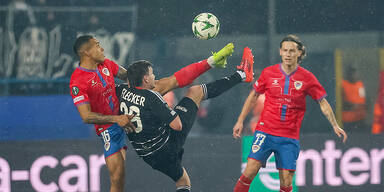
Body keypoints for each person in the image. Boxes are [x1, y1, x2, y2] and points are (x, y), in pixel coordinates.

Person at [69, 34, 234, 192]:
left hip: (124, 105)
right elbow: (86, 116)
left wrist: (151, 86)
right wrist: (116, 119)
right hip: (109, 126)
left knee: (166, 83)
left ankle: (211, 62)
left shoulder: (105, 64)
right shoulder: (78, 81)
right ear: (86, 53)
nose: (102, 48)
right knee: (118, 177)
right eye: (97, 46)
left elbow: (131, 77)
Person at [116, 47, 254, 192]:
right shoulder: (152, 97)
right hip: (167, 146)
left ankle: (240, 74)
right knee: (196, 92)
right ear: (145, 79)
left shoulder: (121, 91)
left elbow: (173, 81)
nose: (154, 77)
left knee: (183, 182)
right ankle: (241, 75)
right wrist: (167, 111)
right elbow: (177, 126)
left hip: (147, 155)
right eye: (152, 74)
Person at [232, 35, 348, 192]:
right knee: (249, 172)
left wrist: (335, 125)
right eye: (285, 50)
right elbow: (253, 96)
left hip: (289, 137)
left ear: (299, 53)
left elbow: (322, 102)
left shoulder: (307, 78)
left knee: (286, 182)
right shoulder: (268, 73)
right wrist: (240, 120)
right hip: (265, 131)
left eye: (292, 51)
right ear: (280, 52)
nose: (288, 54)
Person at [342, 65, 367, 132]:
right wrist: (352, 105)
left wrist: (361, 106)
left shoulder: (360, 84)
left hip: (360, 119)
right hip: (348, 120)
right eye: (352, 73)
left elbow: (364, 100)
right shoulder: (343, 84)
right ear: (348, 74)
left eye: (355, 73)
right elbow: (340, 103)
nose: (354, 75)